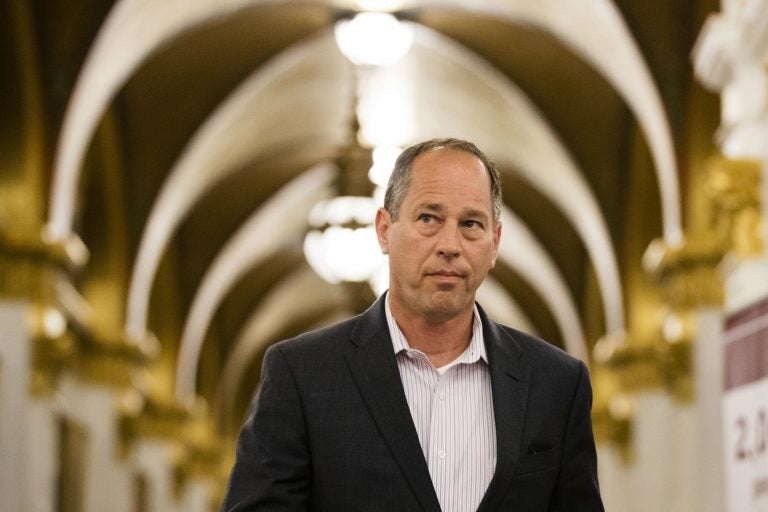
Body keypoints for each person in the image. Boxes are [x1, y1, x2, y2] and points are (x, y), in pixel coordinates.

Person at [221, 138, 604, 511]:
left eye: (471, 223)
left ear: (495, 242)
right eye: (428, 218)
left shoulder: (556, 384)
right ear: (385, 230)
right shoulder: (302, 374)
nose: (450, 244)